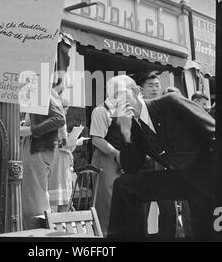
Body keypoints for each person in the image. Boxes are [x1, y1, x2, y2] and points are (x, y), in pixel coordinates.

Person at [107, 75, 215, 240]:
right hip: (180, 179)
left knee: (204, 233)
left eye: (119, 93)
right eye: (113, 97)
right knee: (124, 185)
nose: (117, 100)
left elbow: (212, 131)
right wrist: (126, 134)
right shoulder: (133, 126)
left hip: (208, 179)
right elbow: (131, 168)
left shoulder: (170, 102)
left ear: (137, 91)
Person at [89, 76, 130, 236]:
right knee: (106, 202)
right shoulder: (101, 110)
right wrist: (117, 153)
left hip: (122, 160)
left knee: (122, 202)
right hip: (106, 161)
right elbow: (97, 140)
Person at [20, 87, 66, 230]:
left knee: (34, 200)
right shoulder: (39, 91)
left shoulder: (43, 90)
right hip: (34, 148)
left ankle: (39, 234)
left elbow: (59, 118)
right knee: (33, 198)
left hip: (37, 148)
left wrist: (31, 130)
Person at [139, 72, 178, 238]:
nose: (155, 89)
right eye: (150, 85)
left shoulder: (165, 108)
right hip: (144, 165)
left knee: (169, 209)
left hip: (164, 165)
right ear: (141, 90)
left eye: (157, 85)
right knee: (143, 210)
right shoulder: (136, 109)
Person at [48, 97, 83, 212]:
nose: (67, 112)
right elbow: (63, 143)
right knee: (61, 194)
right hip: (58, 160)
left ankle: (59, 221)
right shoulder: (59, 119)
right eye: (66, 109)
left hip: (57, 157)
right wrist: (74, 142)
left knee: (60, 193)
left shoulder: (52, 119)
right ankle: (60, 222)